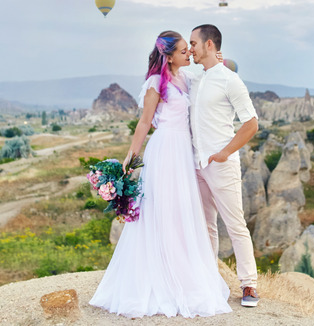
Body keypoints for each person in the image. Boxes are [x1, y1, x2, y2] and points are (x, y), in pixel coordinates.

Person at [89, 31, 232, 318]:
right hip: (165, 149)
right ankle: (159, 274)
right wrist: (130, 157)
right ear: (168, 56)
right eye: (182, 51)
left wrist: (218, 61)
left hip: (183, 150)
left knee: (181, 212)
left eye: (188, 49)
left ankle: (180, 269)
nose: (188, 54)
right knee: (161, 210)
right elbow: (144, 123)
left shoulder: (187, 78)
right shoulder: (156, 83)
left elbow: (211, 83)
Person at [188, 24, 260, 307]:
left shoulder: (230, 80)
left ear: (208, 44)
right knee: (205, 225)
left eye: (193, 43)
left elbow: (251, 123)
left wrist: (225, 152)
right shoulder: (195, 79)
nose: (190, 48)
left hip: (221, 164)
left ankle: (249, 285)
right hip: (196, 165)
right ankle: (209, 279)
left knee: (235, 224)